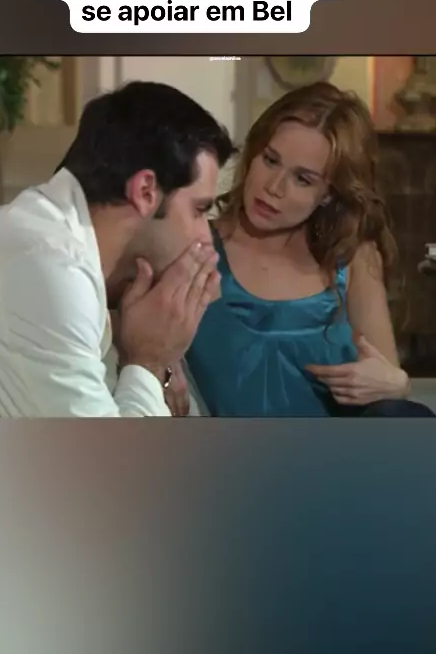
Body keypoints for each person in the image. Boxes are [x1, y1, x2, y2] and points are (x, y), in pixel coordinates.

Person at [0, 81, 236, 417]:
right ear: (145, 191)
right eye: (199, 210)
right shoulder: (47, 268)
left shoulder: (59, 250)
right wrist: (149, 361)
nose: (206, 238)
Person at [177, 82, 434, 418]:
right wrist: (164, 372)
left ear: (329, 193)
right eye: (271, 160)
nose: (273, 187)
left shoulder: (353, 257)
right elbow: (143, 349)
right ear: (253, 154)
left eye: (303, 179)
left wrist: (398, 383)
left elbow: (390, 384)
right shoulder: (195, 247)